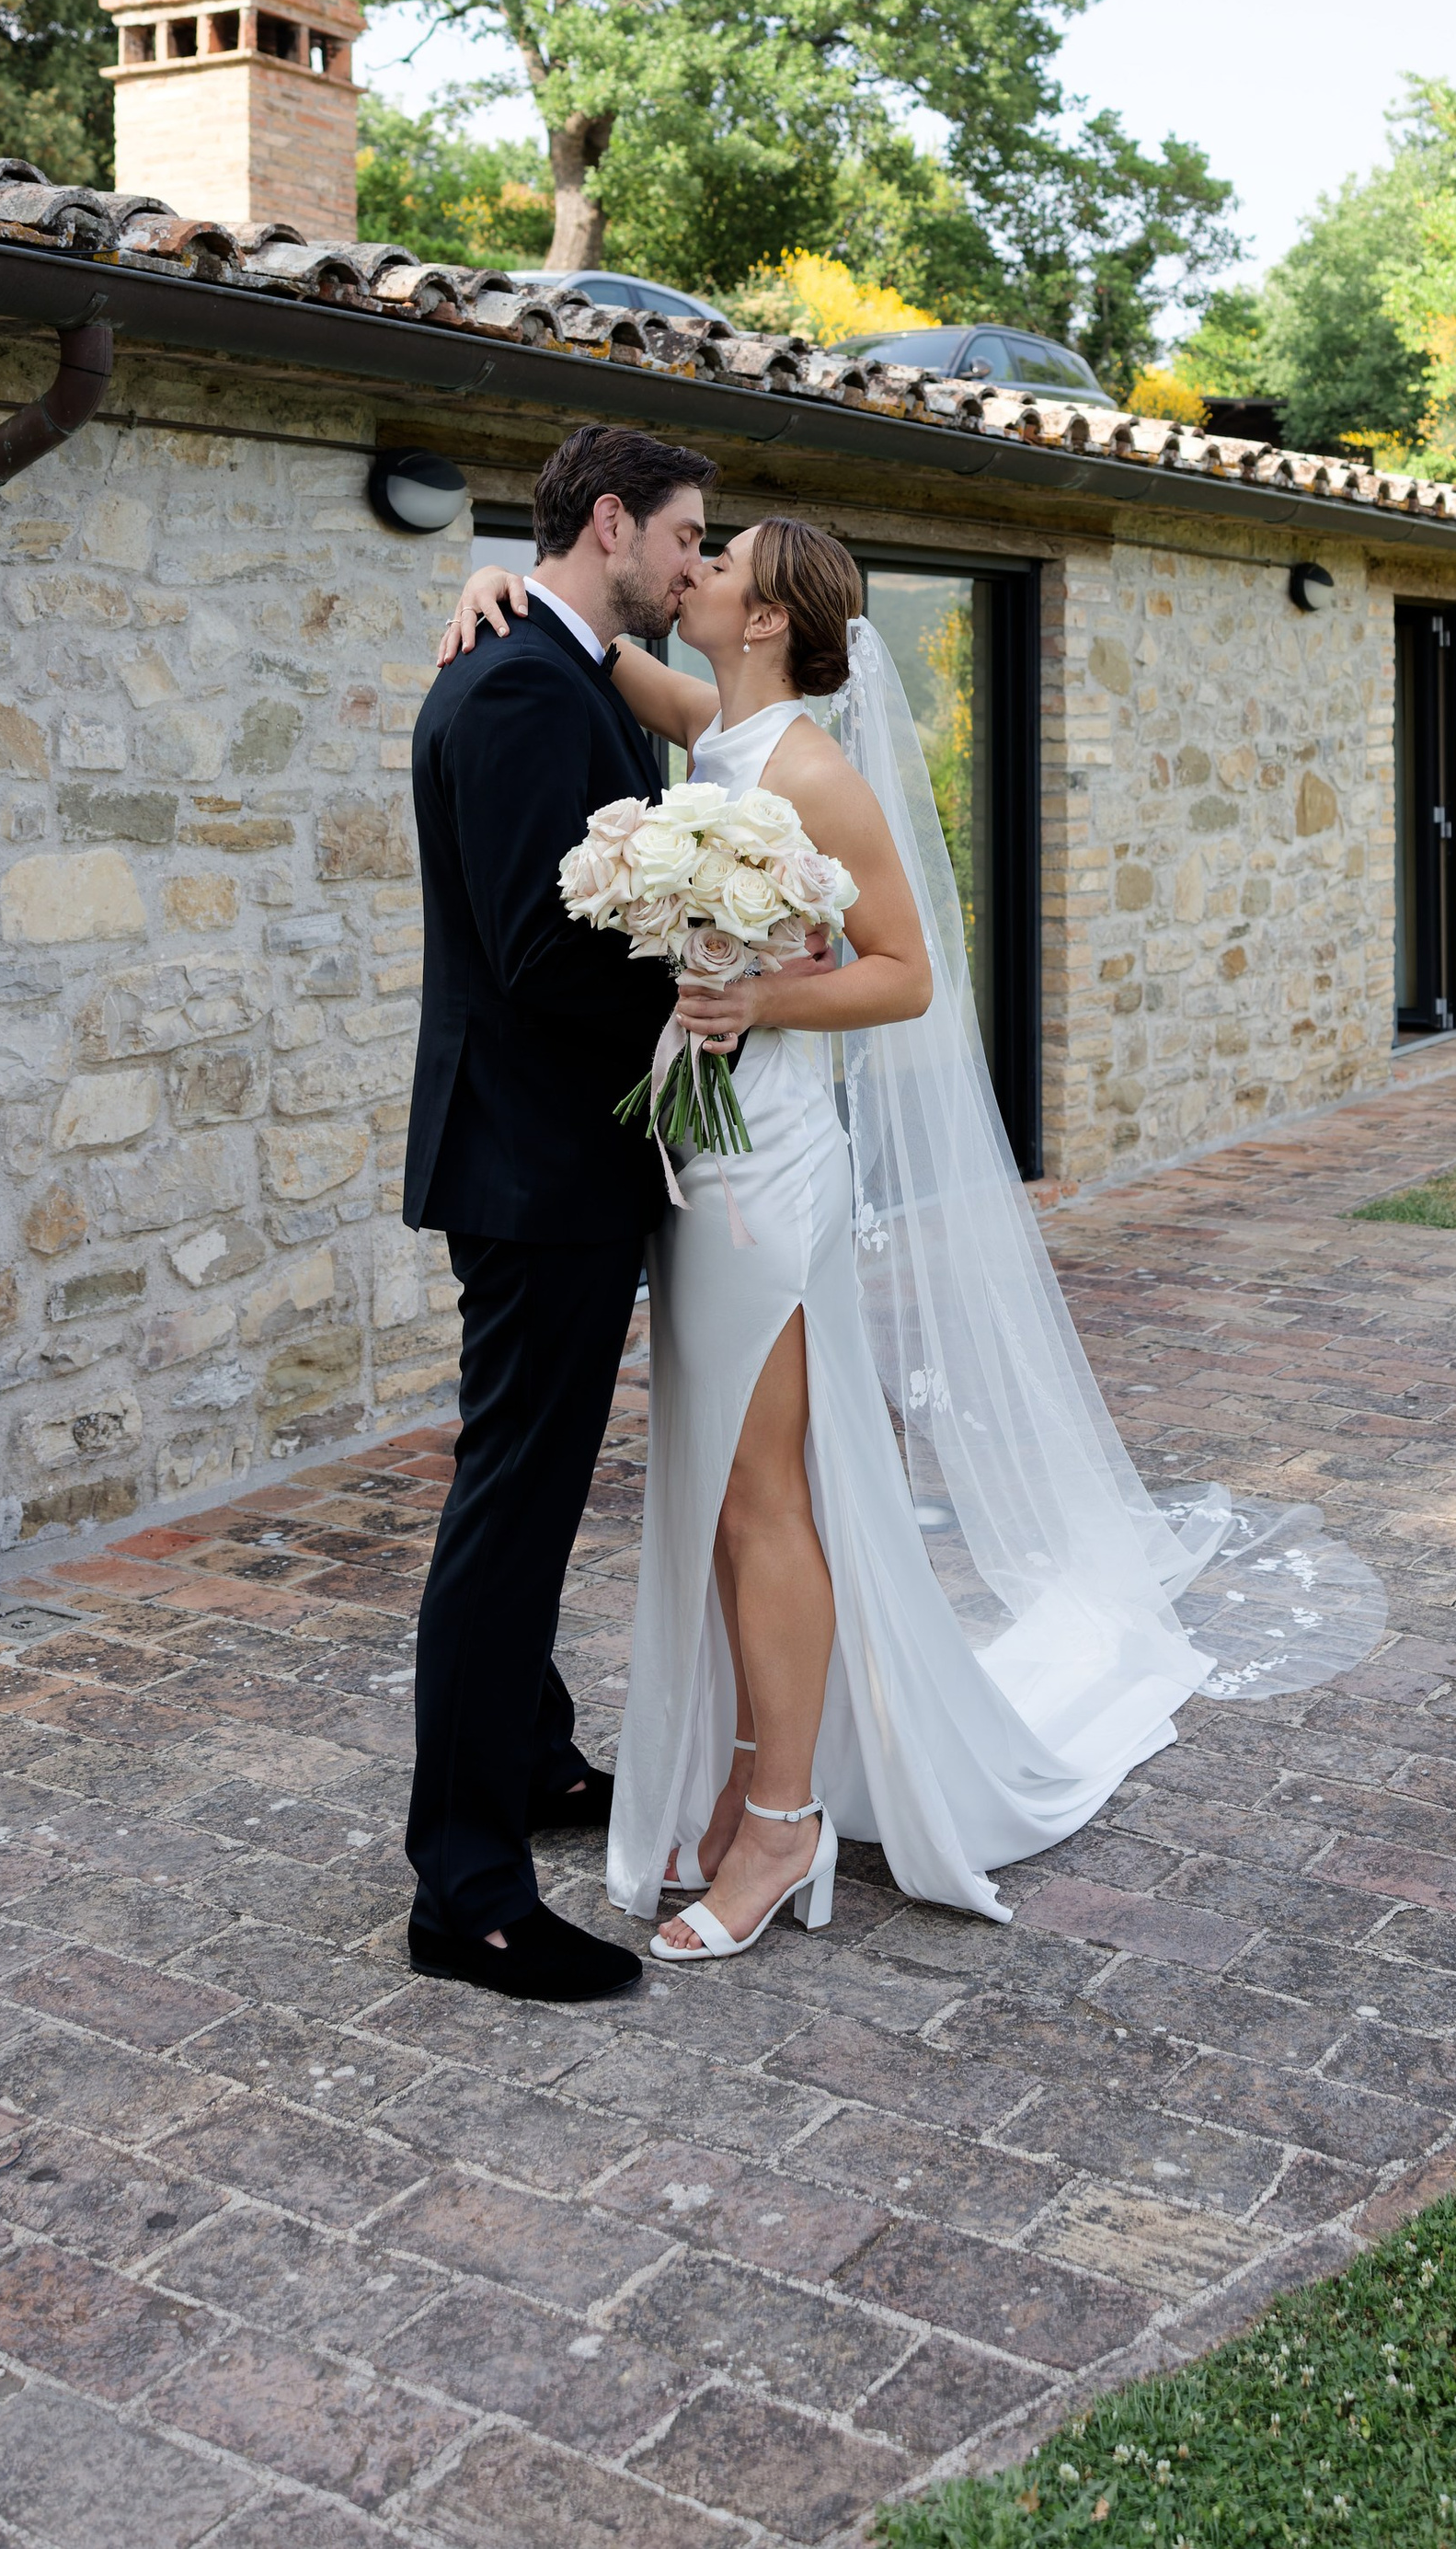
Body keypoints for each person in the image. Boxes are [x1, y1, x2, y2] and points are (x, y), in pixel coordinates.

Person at [441, 511, 1226, 1966]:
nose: (698, 570)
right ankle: (753, 1770)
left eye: (720, 561)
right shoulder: (717, 732)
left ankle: (783, 1817)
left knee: (761, 1492)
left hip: (774, 1167)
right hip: (699, 1160)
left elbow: (911, 977)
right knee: (733, 1481)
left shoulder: (809, 769)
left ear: (764, 620)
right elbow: (593, 641)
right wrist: (493, 576)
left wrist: (756, 1005)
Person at [401, 421, 741, 2004]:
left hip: (549, 1161)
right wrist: (703, 997)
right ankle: (464, 1893)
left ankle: (530, 1765)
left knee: (525, 1487)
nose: (695, 564)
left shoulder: (553, 659)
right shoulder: (526, 683)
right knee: (513, 1511)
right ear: (613, 523)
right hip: (539, 1169)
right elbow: (544, 952)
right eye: (685, 535)